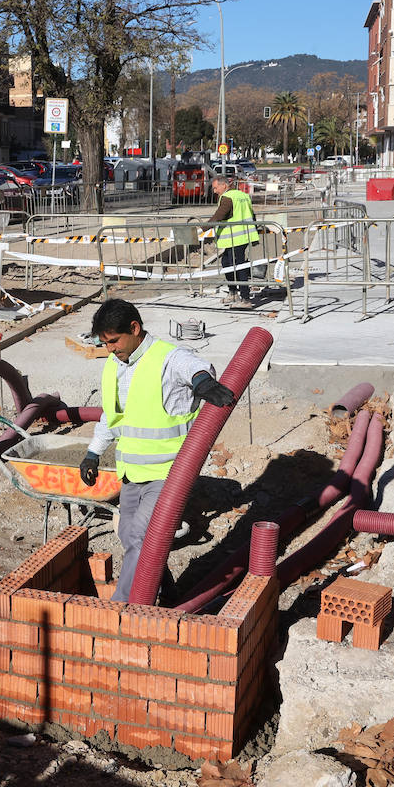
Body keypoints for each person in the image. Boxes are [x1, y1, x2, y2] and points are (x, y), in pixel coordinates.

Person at [78, 299, 237, 603]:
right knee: (128, 536)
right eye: (104, 343)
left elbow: (195, 366)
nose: (110, 349)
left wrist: (202, 382)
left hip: (168, 473)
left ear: (134, 329)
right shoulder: (115, 365)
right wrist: (93, 452)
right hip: (131, 473)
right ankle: (169, 593)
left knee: (141, 538)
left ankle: (124, 607)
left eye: (114, 341)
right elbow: (111, 416)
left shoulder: (165, 357)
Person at [204, 175, 261, 305]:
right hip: (243, 236)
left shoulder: (227, 198)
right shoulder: (242, 195)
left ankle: (245, 298)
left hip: (236, 238)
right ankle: (233, 292)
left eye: (215, 188)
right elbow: (252, 215)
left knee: (238, 266)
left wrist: (201, 229)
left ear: (224, 185)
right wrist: (254, 234)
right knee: (226, 263)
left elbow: (219, 216)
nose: (214, 191)